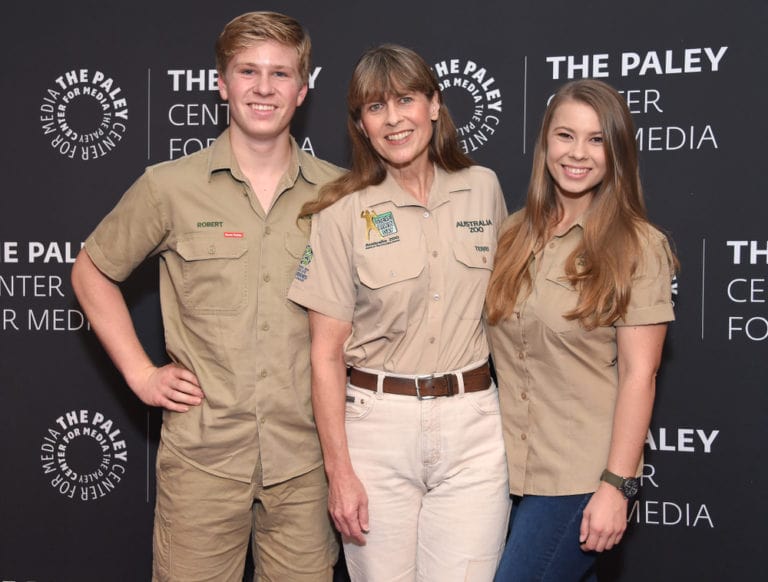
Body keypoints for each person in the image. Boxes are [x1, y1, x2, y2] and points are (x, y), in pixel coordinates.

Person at [71, 11, 341, 581]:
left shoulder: (341, 194)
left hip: (308, 466)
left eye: (280, 73)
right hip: (203, 461)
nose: (263, 88)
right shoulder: (168, 187)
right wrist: (142, 375)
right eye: (248, 71)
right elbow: (91, 271)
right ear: (221, 83)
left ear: (303, 89)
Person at [287, 44, 511, 582]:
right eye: (374, 107)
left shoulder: (484, 188)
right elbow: (325, 354)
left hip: (473, 427)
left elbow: (512, 315)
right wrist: (339, 472)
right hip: (377, 429)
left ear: (434, 105)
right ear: (361, 125)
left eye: (405, 100)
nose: (393, 119)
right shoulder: (341, 210)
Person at [485, 79, 678, 581]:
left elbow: (641, 374)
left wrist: (616, 486)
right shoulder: (511, 232)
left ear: (616, 152)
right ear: (545, 142)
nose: (578, 153)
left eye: (596, 140)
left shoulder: (638, 246)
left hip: (581, 476)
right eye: (565, 135)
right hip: (506, 470)